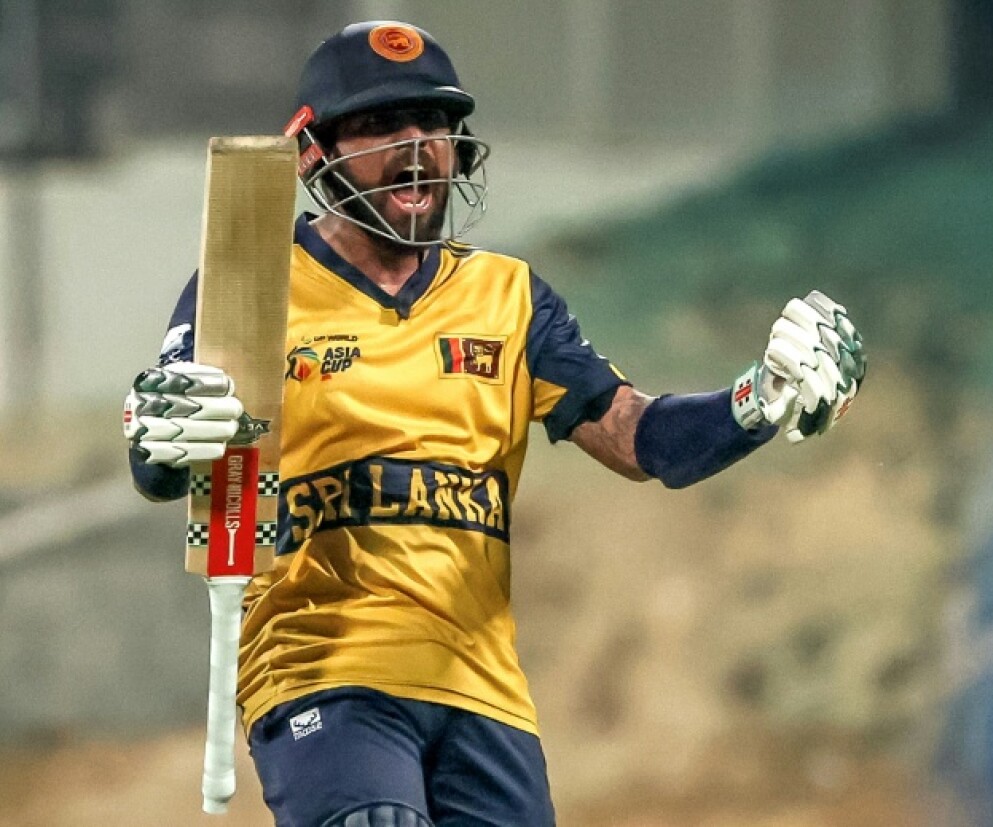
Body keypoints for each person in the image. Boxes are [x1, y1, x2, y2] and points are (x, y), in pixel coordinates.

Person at [122, 20, 865, 827]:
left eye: (432, 123)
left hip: (482, 688)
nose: (416, 146)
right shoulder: (250, 279)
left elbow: (641, 439)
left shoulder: (510, 298)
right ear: (315, 155)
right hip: (322, 667)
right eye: (380, 124)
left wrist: (757, 401)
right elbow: (167, 458)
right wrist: (162, 432)